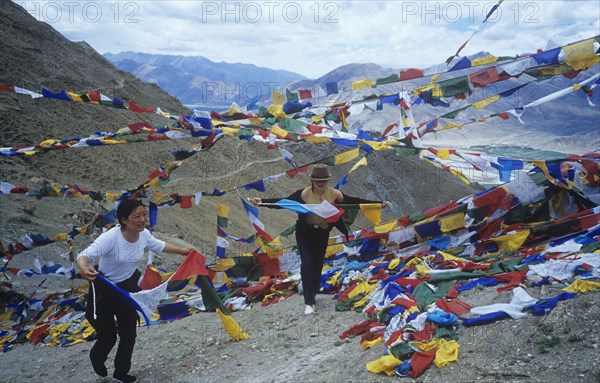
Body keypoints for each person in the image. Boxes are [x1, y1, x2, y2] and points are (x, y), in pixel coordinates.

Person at [77, 199, 193, 383]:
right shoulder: (110, 237)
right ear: (124, 219)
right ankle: (96, 357)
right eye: (136, 216)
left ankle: (121, 373)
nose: (142, 220)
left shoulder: (144, 235)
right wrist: (84, 268)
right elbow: (85, 255)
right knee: (108, 336)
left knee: (129, 332)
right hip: (105, 289)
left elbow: (158, 245)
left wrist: (183, 251)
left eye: (144, 215)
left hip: (128, 289)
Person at [249, 164, 388, 315]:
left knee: (317, 263)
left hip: (322, 232)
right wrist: (262, 201)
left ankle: (314, 288)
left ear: (327, 181)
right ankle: (309, 301)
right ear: (312, 181)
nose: (320, 184)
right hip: (304, 232)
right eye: (317, 181)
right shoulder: (303, 194)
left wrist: (377, 204)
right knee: (307, 263)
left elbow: (355, 202)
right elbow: (283, 202)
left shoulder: (335, 194)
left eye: (323, 181)